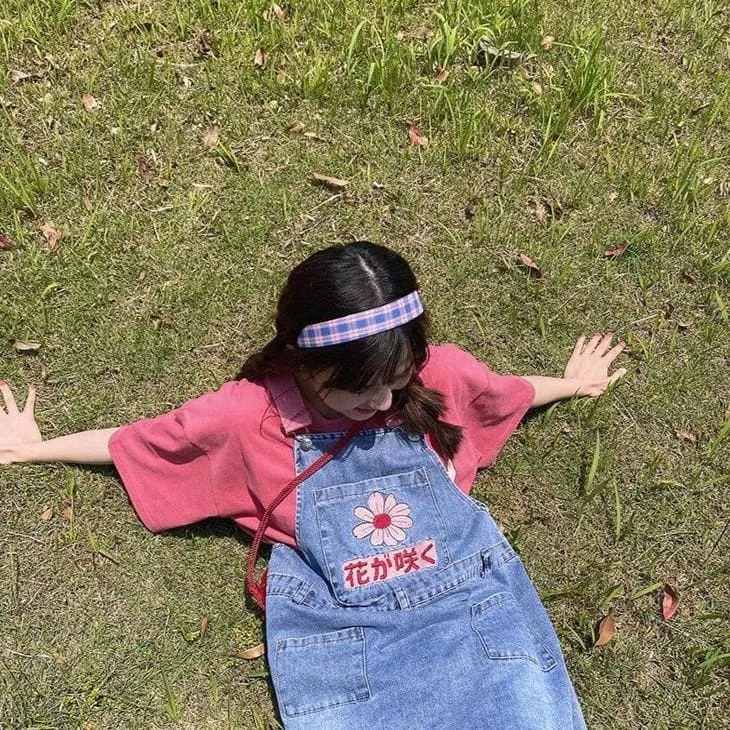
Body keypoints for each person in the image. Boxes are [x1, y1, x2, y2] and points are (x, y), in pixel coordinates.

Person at [0, 241, 626, 728]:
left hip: (472, 618)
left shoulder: (438, 377)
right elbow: (141, 442)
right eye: (358, 389)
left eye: (397, 381)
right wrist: (32, 449)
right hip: (351, 638)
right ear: (305, 361)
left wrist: (570, 385)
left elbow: (502, 393)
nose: (383, 400)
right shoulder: (248, 420)